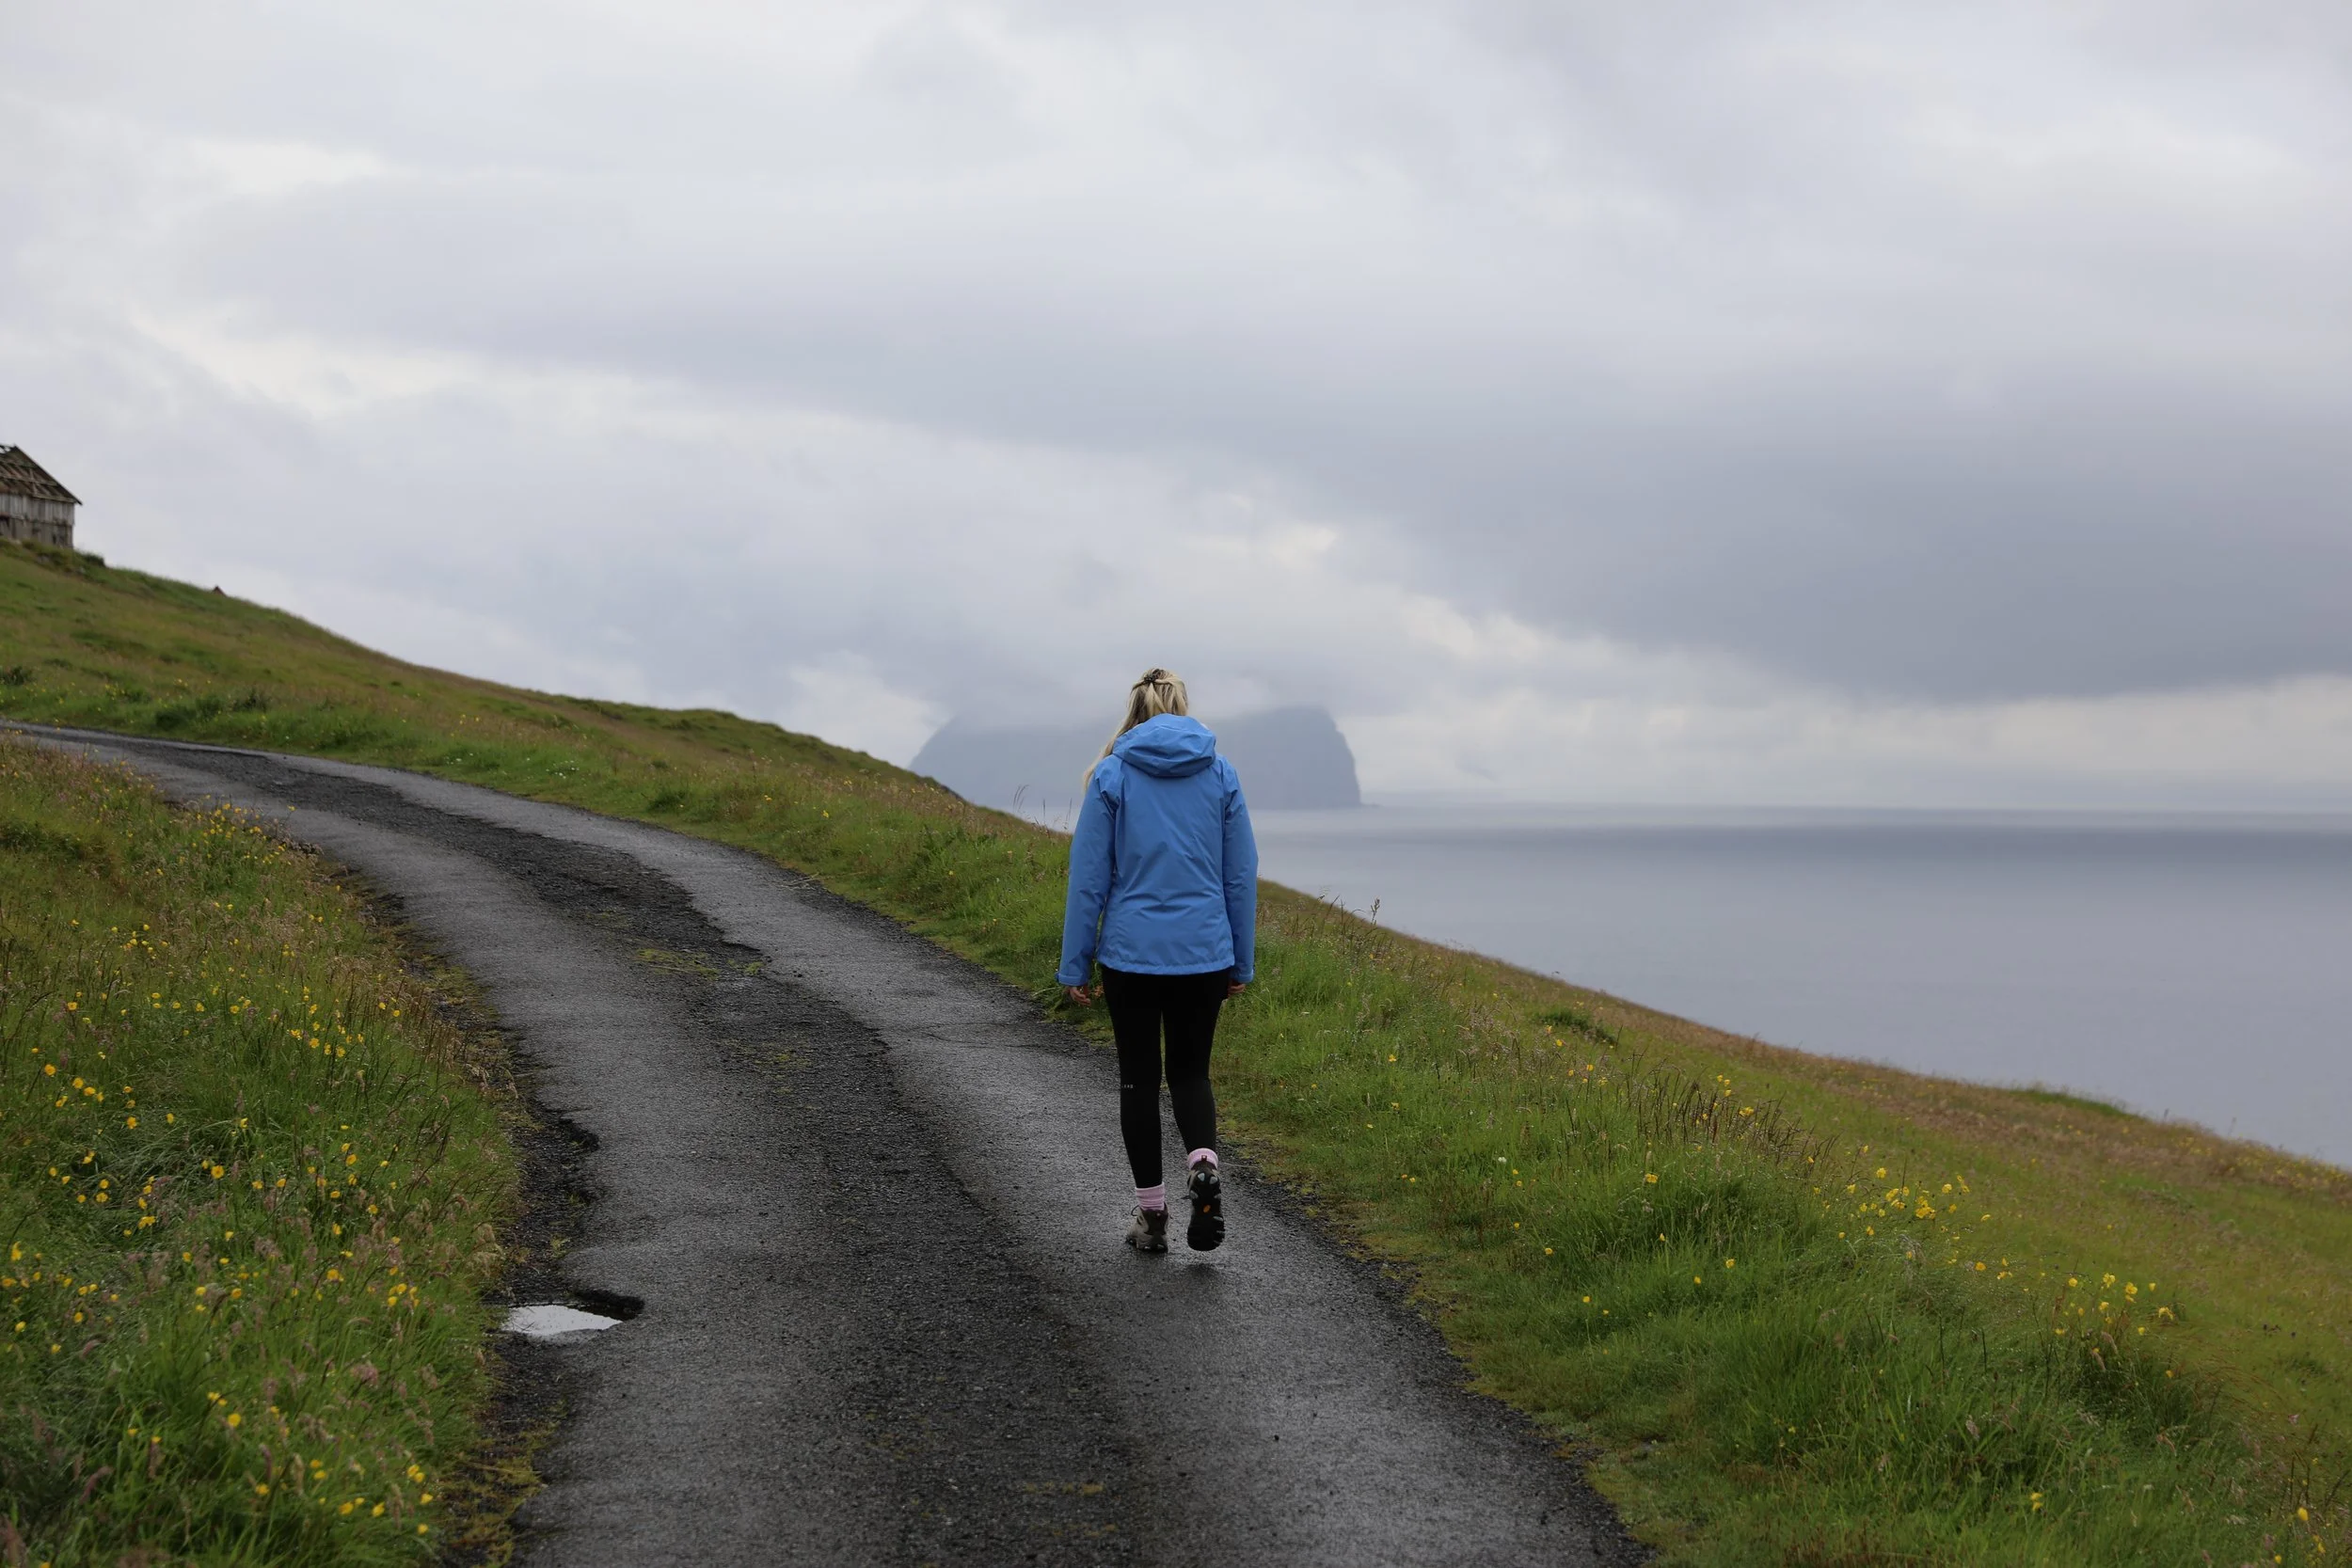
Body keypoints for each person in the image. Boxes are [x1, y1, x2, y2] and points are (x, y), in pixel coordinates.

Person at [1058, 669, 1257, 1254]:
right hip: (1203, 954)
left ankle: (1153, 1219)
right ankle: (1203, 1166)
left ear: (1136, 712)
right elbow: (1240, 876)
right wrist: (1239, 963)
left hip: (1132, 955)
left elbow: (1088, 879)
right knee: (1192, 1075)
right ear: (1182, 707)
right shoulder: (1220, 773)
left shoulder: (1113, 774)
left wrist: (1075, 965)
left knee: (1140, 1082)